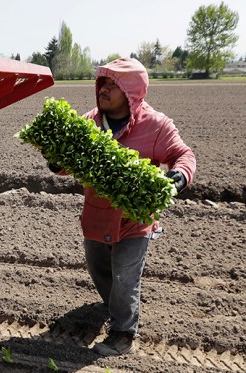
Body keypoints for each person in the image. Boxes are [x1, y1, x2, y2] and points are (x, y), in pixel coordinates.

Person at [49, 58, 196, 356]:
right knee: (100, 270)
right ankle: (112, 303)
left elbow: (183, 155)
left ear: (131, 93)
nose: (104, 89)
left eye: (113, 85)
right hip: (97, 215)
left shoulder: (155, 126)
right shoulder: (89, 123)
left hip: (134, 219)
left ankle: (123, 333)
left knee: (124, 276)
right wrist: (58, 161)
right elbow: (68, 163)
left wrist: (178, 177)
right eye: (103, 82)